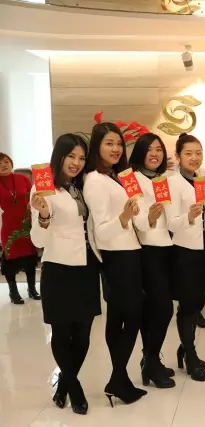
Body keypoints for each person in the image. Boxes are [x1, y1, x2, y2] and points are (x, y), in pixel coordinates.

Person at [29, 134, 101, 415]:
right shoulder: (44, 187)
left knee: (82, 335)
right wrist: (43, 215)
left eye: (81, 158)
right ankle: (75, 387)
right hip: (58, 268)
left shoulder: (81, 186)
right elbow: (38, 240)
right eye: (71, 156)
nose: (76, 163)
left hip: (86, 267)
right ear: (59, 156)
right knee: (61, 332)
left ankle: (64, 384)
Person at [84, 122, 147, 405]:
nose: (116, 149)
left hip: (129, 252)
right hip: (117, 256)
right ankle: (118, 378)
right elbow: (101, 230)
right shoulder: (95, 181)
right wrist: (123, 217)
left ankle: (119, 379)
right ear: (96, 146)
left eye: (119, 143)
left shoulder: (115, 176)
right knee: (131, 316)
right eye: (109, 143)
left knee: (120, 317)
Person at [129, 133, 176, 388]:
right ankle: (150, 360)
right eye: (149, 149)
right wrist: (149, 217)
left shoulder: (162, 179)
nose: (155, 154)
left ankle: (150, 360)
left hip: (166, 247)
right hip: (146, 249)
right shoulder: (131, 178)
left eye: (159, 149)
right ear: (140, 153)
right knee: (163, 308)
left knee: (153, 310)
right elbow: (135, 216)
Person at [165, 133, 205, 381]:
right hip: (183, 251)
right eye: (189, 153)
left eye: (198, 153)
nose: (194, 158)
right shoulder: (172, 182)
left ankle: (185, 348)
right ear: (178, 156)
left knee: (198, 303)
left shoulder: (201, 179)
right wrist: (189, 217)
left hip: (204, 249)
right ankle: (190, 354)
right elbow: (171, 222)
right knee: (187, 304)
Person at [0, 152, 40, 304]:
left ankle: (32, 289)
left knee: (30, 257)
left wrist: (32, 203)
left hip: (26, 223)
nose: (3, 165)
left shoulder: (23, 179)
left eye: (6, 161)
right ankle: (13, 292)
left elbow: (33, 196)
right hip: (9, 226)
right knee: (10, 259)